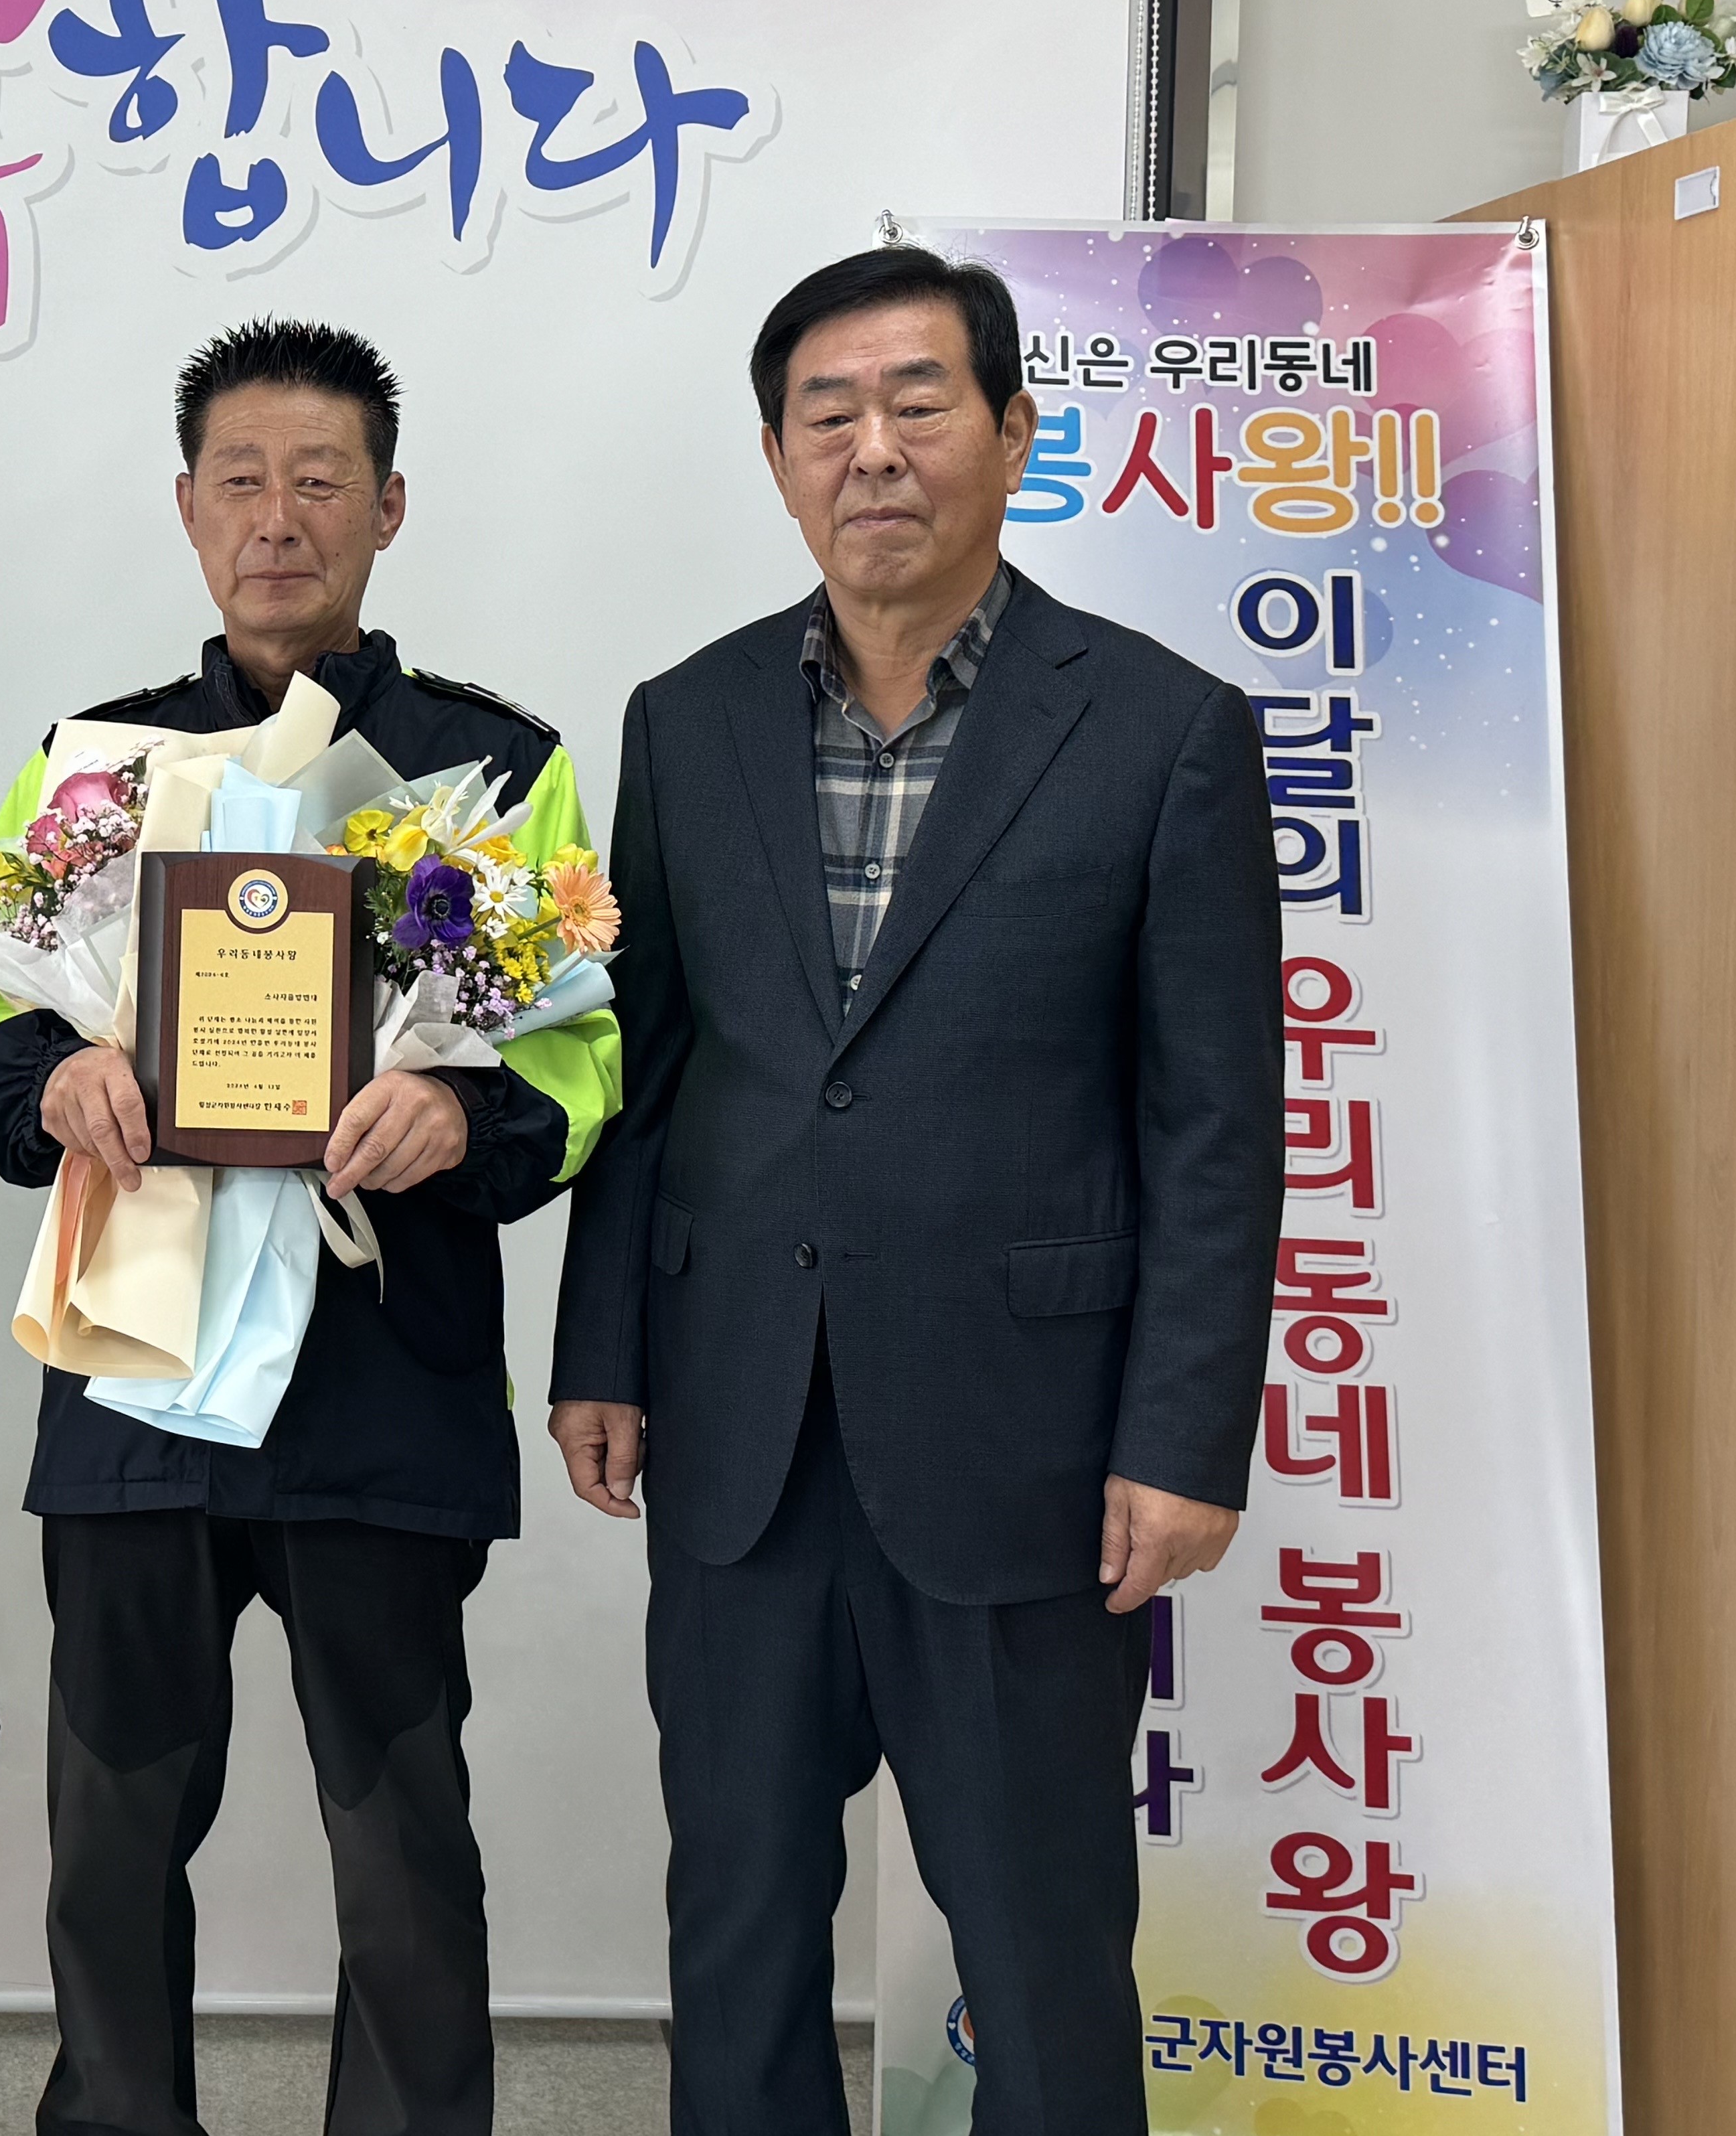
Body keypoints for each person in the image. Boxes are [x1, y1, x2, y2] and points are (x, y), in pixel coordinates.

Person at [547, 247, 1282, 2136]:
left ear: (1014, 432)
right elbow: (647, 1064)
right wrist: (600, 1348)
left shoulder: (1162, 727)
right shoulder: (686, 718)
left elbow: (1214, 1122)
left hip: (1026, 1446)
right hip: (740, 1431)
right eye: (828, 416)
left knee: (1040, 1949)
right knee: (736, 1931)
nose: (872, 450)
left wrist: (1184, 1438)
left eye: (918, 403)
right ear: (779, 461)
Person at [0, 319, 622, 2136]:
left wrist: (461, 1112)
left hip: (382, 1373)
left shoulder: (493, 771)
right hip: (134, 1359)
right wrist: (52, 1082)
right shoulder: (91, 766)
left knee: (401, 1845)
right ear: (186, 509)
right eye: (240, 479)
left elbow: (581, 1055)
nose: (278, 516)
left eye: (321, 479)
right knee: (110, 1831)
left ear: (389, 507)